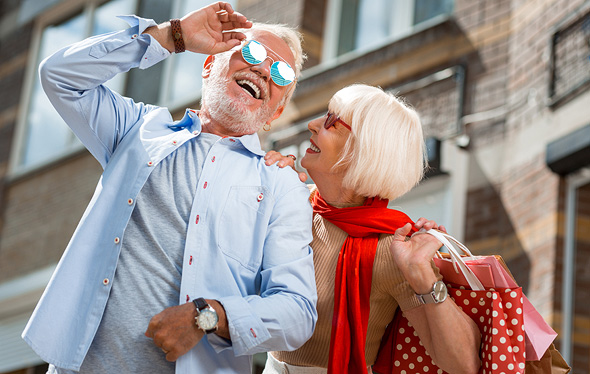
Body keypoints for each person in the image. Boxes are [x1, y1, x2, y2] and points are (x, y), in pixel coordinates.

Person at [22, 2, 317, 374]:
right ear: (211, 65)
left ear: (275, 113)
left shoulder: (280, 186)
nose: (262, 69)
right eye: (251, 51)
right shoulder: (137, 130)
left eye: (282, 72)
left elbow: (297, 312)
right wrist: (170, 36)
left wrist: (207, 317)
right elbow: (60, 76)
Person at [263, 84, 481, 374]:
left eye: (331, 122)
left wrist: (421, 272)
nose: (312, 125)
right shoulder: (289, 202)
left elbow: (464, 365)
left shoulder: (392, 247)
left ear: (361, 152)